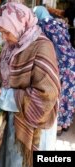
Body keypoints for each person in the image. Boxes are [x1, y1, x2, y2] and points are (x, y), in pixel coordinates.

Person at [0, 2, 60, 167]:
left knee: (25, 161)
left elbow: (46, 96)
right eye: (2, 32)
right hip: (17, 113)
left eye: (7, 32)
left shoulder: (42, 48)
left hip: (35, 118)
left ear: (20, 25)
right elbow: (14, 74)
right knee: (13, 158)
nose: (4, 37)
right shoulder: (12, 46)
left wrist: (3, 94)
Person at [33, 6, 75, 135]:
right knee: (69, 93)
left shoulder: (42, 25)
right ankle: (65, 124)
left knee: (59, 93)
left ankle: (57, 127)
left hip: (61, 63)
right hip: (72, 59)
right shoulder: (58, 23)